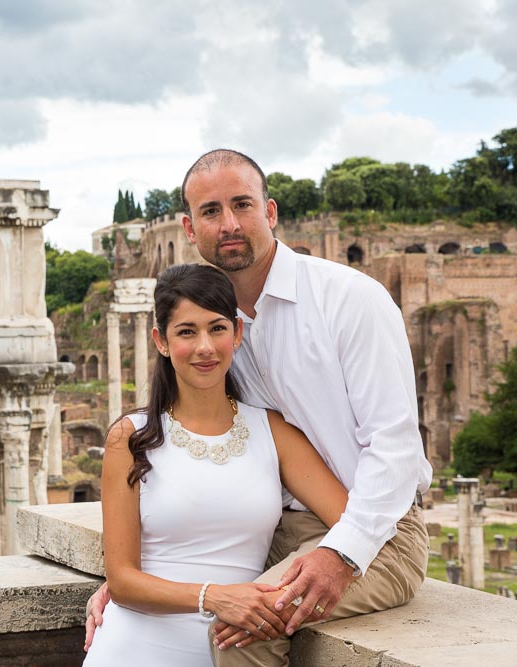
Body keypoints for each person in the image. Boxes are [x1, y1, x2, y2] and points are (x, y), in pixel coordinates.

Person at [85, 150, 432, 666]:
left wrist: (341, 554)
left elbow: (396, 448)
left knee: (248, 624)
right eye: (210, 211)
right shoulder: (217, 321)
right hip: (276, 532)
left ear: (270, 213)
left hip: (377, 527)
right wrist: (136, 584)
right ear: (189, 227)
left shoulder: (350, 300)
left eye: (242, 205)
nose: (228, 224)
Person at [83, 264, 348, 667]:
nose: (205, 346)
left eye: (217, 328)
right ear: (162, 341)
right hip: (134, 649)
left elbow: (350, 523)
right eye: (187, 332)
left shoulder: (273, 432)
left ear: (237, 334)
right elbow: (121, 580)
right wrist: (215, 596)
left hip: (230, 652)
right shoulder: (130, 437)